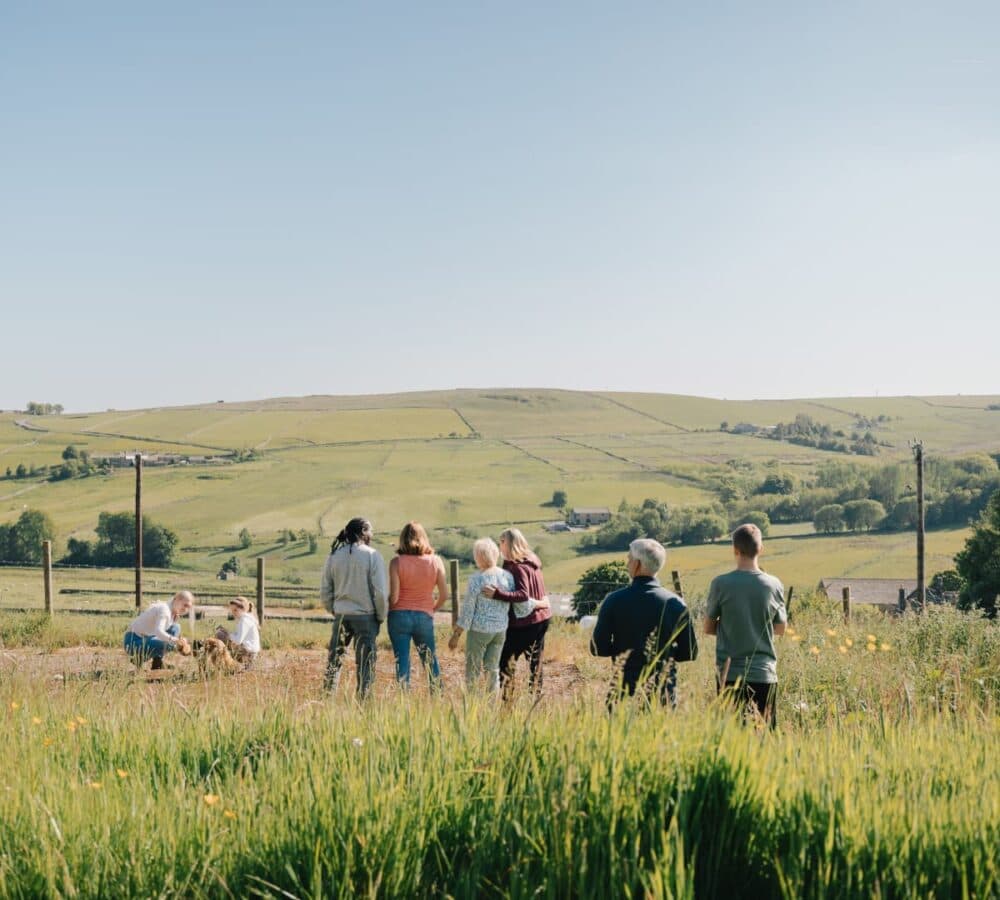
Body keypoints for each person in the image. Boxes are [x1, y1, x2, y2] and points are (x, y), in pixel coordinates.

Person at [590, 538, 694, 708]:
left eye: (629, 559)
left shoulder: (614, 601)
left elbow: (598, 648)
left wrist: (619, 651)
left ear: (637, 565)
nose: (627, 564)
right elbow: (689, 652)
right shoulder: (677, 603)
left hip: (624, 691)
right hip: (664, 694)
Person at [704, 523, 787, 728]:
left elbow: (707, 627)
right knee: (764, 738)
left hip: (729, 675)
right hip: (764, 673)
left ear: (735, 550)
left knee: (732, 739)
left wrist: (728, 628)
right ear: (761, 549)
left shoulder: (720, 584)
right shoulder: (774, 584)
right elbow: (781, 628)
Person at [448, 537, 546, 693]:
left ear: (478, 557)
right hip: (500, 631)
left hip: (479, 631)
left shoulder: (476, 580)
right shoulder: (506, 576)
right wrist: (540, 603)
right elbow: (521, 602)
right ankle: (492, 704)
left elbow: (468, 611)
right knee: (492, 670)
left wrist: (456, 635)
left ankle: (473, 704)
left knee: (472, 670)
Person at [321, 517, 388, 698]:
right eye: (370, 531)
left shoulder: (334, 556)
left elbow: (325, 589)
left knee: (334, 662)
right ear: (364, 532)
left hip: (341, 614)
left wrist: (333, 609)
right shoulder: (372, 555)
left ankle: (327, 701)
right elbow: (380, 591)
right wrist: (381, 615)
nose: (372, 535)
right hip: (366, 616)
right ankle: (364, 703)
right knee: (365, 663)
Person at [482, 527, 553, 699]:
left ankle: (508, 703)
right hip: (542, 618)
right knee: (535, 663)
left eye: (502, 541)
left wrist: (496, 594)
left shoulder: (517, 567)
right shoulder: (533, 560)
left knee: (505, 662)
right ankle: (535, 700)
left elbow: (522, 595)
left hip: (524, 622)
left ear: (509, 543)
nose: (500, 545)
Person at [387, 522, 448, 690]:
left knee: (402, 661)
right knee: (430, 661)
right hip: (424, 616)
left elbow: (394, 598)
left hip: (399, 616)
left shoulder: (396, 563)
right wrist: (431, 609)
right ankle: (437, 698)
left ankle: (403, 701)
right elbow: (444, 595)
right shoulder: (436, 562)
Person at [123, 591, 193, 670]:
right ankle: (138, 658)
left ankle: (157, 663)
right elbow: (158, 631)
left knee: (176, 627)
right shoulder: (165, 610)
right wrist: (175, 641)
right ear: (177, 599)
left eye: (188, 607)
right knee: (169, 644)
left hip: (146, 638)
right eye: (185, 605)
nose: (186, 609)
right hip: (133, 642)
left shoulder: (172, 611)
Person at [214, 595, 261, 667]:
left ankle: (224, 664)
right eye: (232, 610)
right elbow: (238, 637)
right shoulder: (246, 619)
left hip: (248, 653)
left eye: (235, 610)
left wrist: (227, 634)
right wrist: (227, 633)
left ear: (243, 609)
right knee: (221, 634)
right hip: (250, 652)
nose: (233, 613)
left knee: (220, 635)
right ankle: (225, 663)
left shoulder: (244, 620)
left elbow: (238, 640)